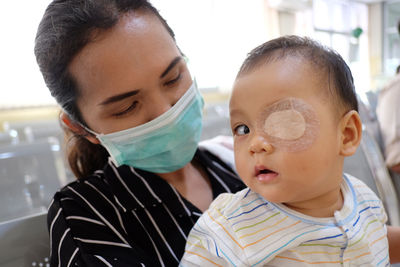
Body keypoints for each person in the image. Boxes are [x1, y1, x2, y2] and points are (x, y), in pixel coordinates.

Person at [34, 0, 246, 266]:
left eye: (173, 78)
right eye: (127, 107)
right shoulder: (88, 215)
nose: (166, 113)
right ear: (81, 128)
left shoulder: (236, 163)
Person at [181, 36, 391, 266]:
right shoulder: (228, 232)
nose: (255, 144)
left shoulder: (367, 202)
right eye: (243, 129)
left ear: (347, 135)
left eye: (281, 123)